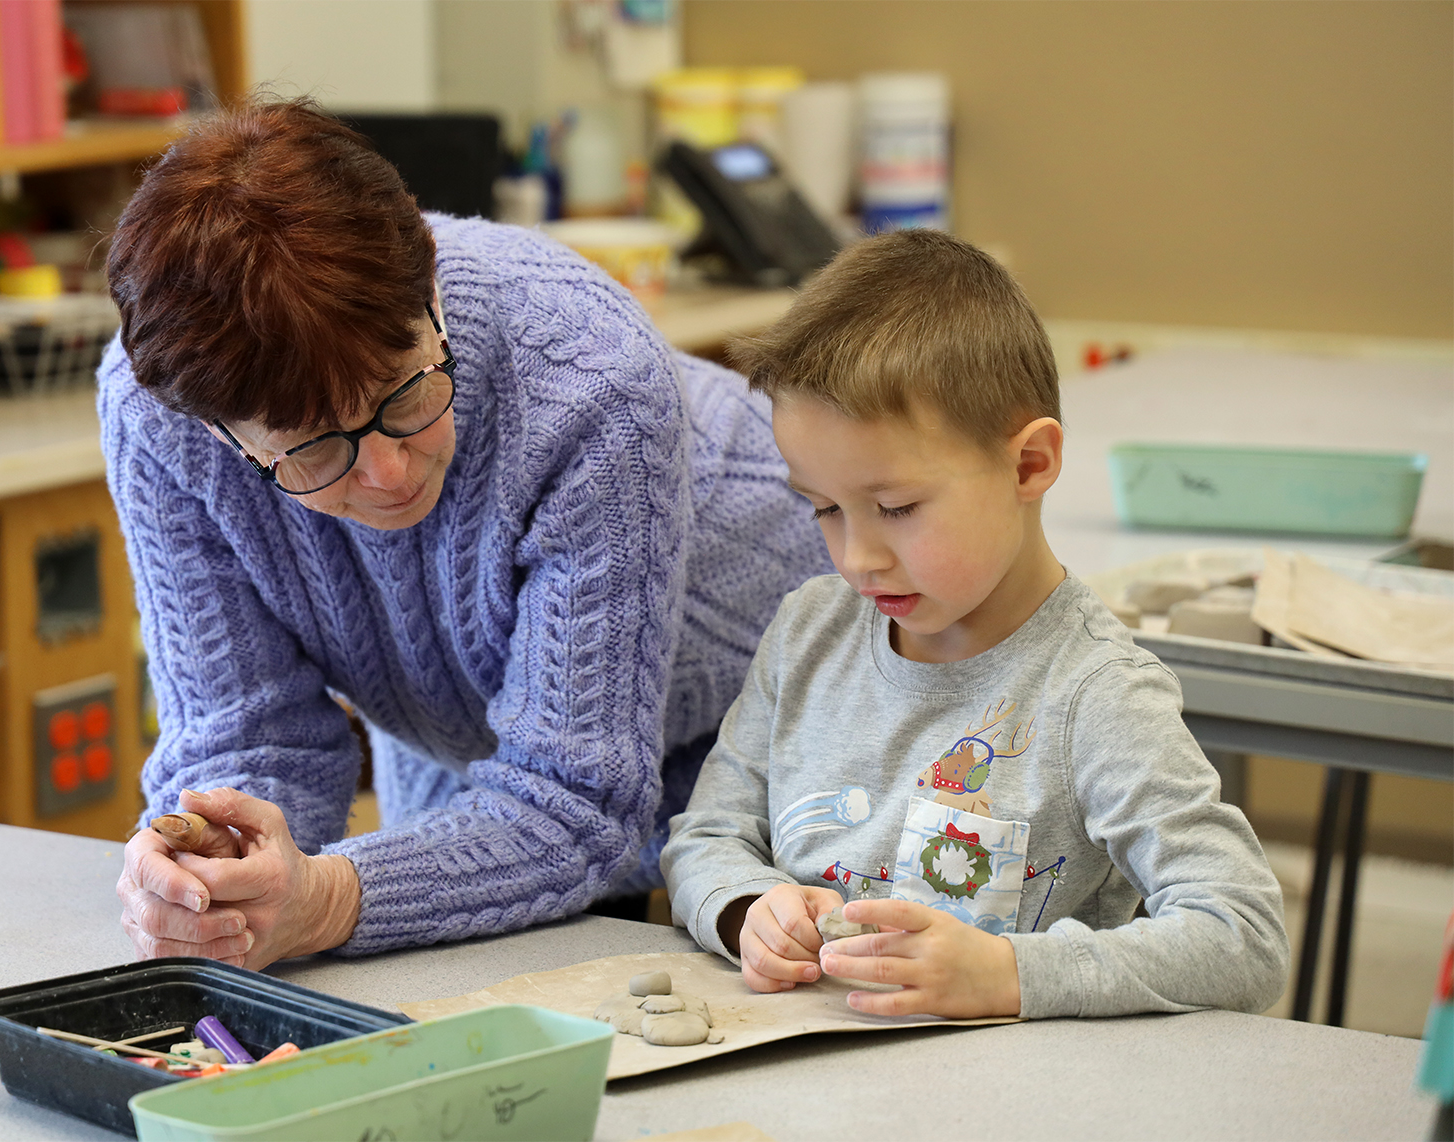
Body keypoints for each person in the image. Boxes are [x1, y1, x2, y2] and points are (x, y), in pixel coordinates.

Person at [100, 99, 830, 970]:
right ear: (223, 433)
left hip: (771, 703)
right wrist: (220, 872)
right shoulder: (162, 417)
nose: (389, 476)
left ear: (430, 288)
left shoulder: (589, 376)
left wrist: (327, 897)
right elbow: (250, 733)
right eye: (313, 451)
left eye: (406, 396)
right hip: (471, 735)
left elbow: (574, 800)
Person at [660, 229, 1289, 1019]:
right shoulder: (807, 634)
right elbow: (706, 835)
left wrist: (1006, 974)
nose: (857, 558)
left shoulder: (1095, 694)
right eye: (824, 508)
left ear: (1029, 465)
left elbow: (1244, 937)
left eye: (895, 509)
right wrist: (747, 907)